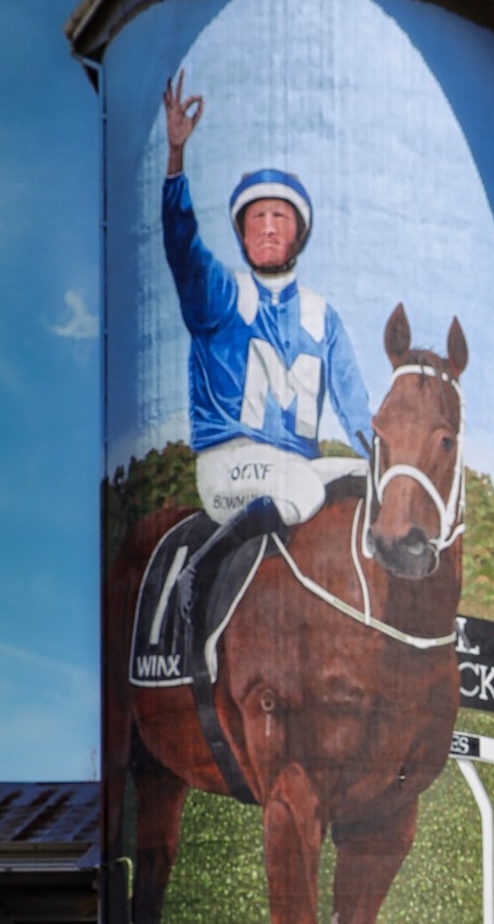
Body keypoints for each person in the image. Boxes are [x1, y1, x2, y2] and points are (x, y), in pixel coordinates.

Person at [160, 70, 374, 601]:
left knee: (365, 484)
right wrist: (175, 159)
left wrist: (385, 466)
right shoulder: (222, 295)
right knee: (301, 487)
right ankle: (200, 571)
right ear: (242, 232)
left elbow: (354, 409)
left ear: (298, 231)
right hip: (230, 463)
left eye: (279, 216)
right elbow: (183, 249)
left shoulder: (322, 316)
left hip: (293, 467)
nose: (268, 228)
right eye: (256, 218)